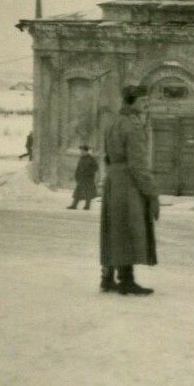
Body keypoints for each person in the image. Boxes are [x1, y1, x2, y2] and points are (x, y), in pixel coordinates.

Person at [99, 84, 159, 295]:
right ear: (131, 102)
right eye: (143, 101)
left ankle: (107, 277)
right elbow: (138, 164)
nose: (146, 104)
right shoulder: (133, 126)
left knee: (113, 228)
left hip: (113, 180)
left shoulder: (112, 122)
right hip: (129, 183)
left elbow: (106, 155)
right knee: (128, 229)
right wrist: (151, 193)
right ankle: (126, 280)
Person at [68, 145, 99, 210]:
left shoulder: (91, 158)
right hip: (81, 178)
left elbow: (96, 168)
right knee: (78, 192)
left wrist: (88, 173)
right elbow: (78, 168)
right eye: (81, 151)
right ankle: (74, 205)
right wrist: (76, 176)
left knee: (88, 192)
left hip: (88, 179)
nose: (81, 152)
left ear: (86, 151)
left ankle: (87, 206)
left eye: (82, 151)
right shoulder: (81, 158)